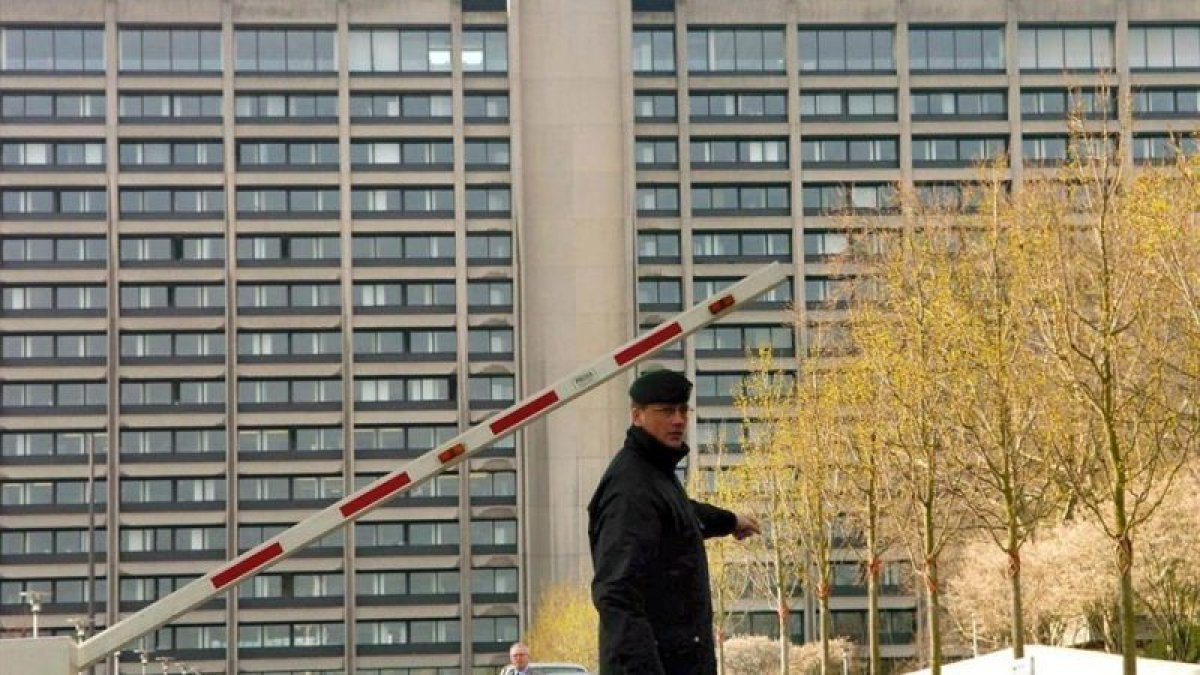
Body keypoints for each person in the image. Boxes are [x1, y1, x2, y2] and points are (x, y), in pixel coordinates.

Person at [588, 369, 761, 675]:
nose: (678, 420)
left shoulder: (653, 474)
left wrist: (731, 521)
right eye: (666, 411)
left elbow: (681, 514)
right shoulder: (630, 488)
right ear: (637, 415)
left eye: (683, 410)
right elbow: (617, 594)